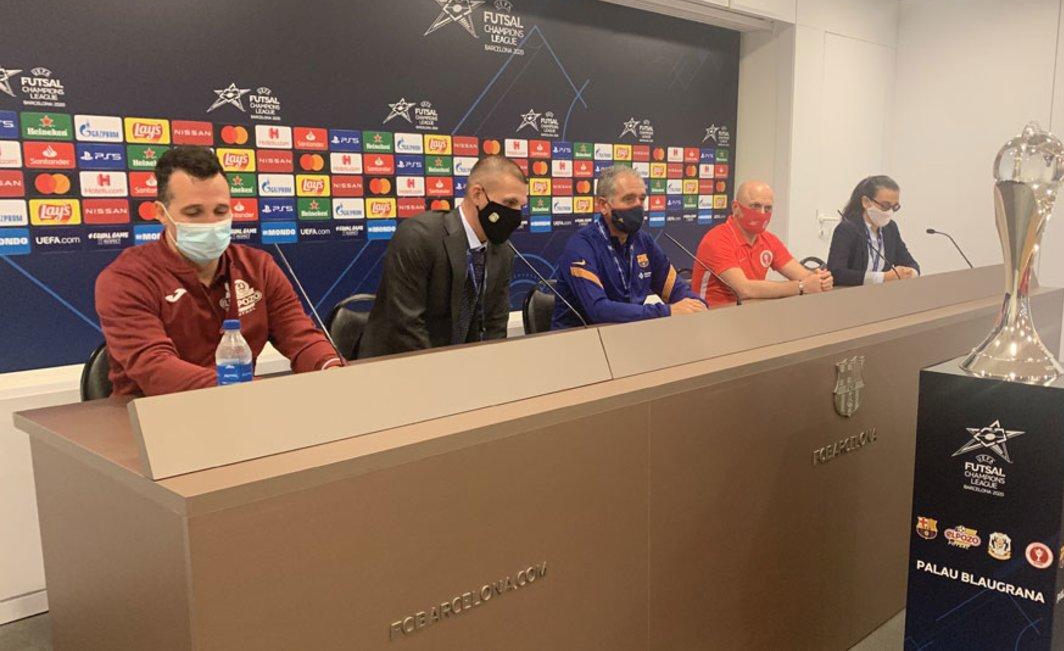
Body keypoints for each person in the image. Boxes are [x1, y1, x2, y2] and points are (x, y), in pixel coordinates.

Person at [94, 146, 342, 397]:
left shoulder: (258, 267)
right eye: (194, 213)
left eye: (221, 211)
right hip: (150, 420)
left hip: (241, 410)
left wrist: (331, 368)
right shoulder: (125, 279)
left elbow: (301, 337)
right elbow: (156, 370)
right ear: (161, 213)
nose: (211, 223)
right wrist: (255, 391)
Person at [359, 155, 527, 356]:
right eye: (510, 203)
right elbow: (406, 326)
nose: (517, 214)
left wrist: (488, 366)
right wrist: (442, 374)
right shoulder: (418, 236)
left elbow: (496, 322)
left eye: (521, 206)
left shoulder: (503, 251)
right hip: (395, 365)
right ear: (477, 195)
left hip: (461, 369)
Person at [552, 165, 706, 328]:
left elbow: (676, 289)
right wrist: (666, 312)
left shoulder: (644, 242)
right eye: (629, 199)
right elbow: (599, 311)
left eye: (641, 199)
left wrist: (696, 305)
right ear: (603, 205)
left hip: (628, 337)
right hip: (580, 343)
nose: (638, 206)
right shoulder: (581, 246)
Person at [691, 180, 832, 306]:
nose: (762, 213)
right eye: (755, 206)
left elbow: (802, 275)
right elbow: (743, 289)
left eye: (768, 208)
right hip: (711, 317)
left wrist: (820, 280)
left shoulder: (768, 239)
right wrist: (801, 287)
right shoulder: (717, 239)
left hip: (750, 314)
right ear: (736, 208)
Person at [827, 175, 920, 286]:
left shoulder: (891, 228)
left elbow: (911, 263)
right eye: (885, 205)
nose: (889, 211)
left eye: (894, 207)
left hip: (883, 295)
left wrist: (911, 273)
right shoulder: (847, 229)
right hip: (851, 295)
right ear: (866, 202)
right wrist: (883, 277)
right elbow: (837, 273)